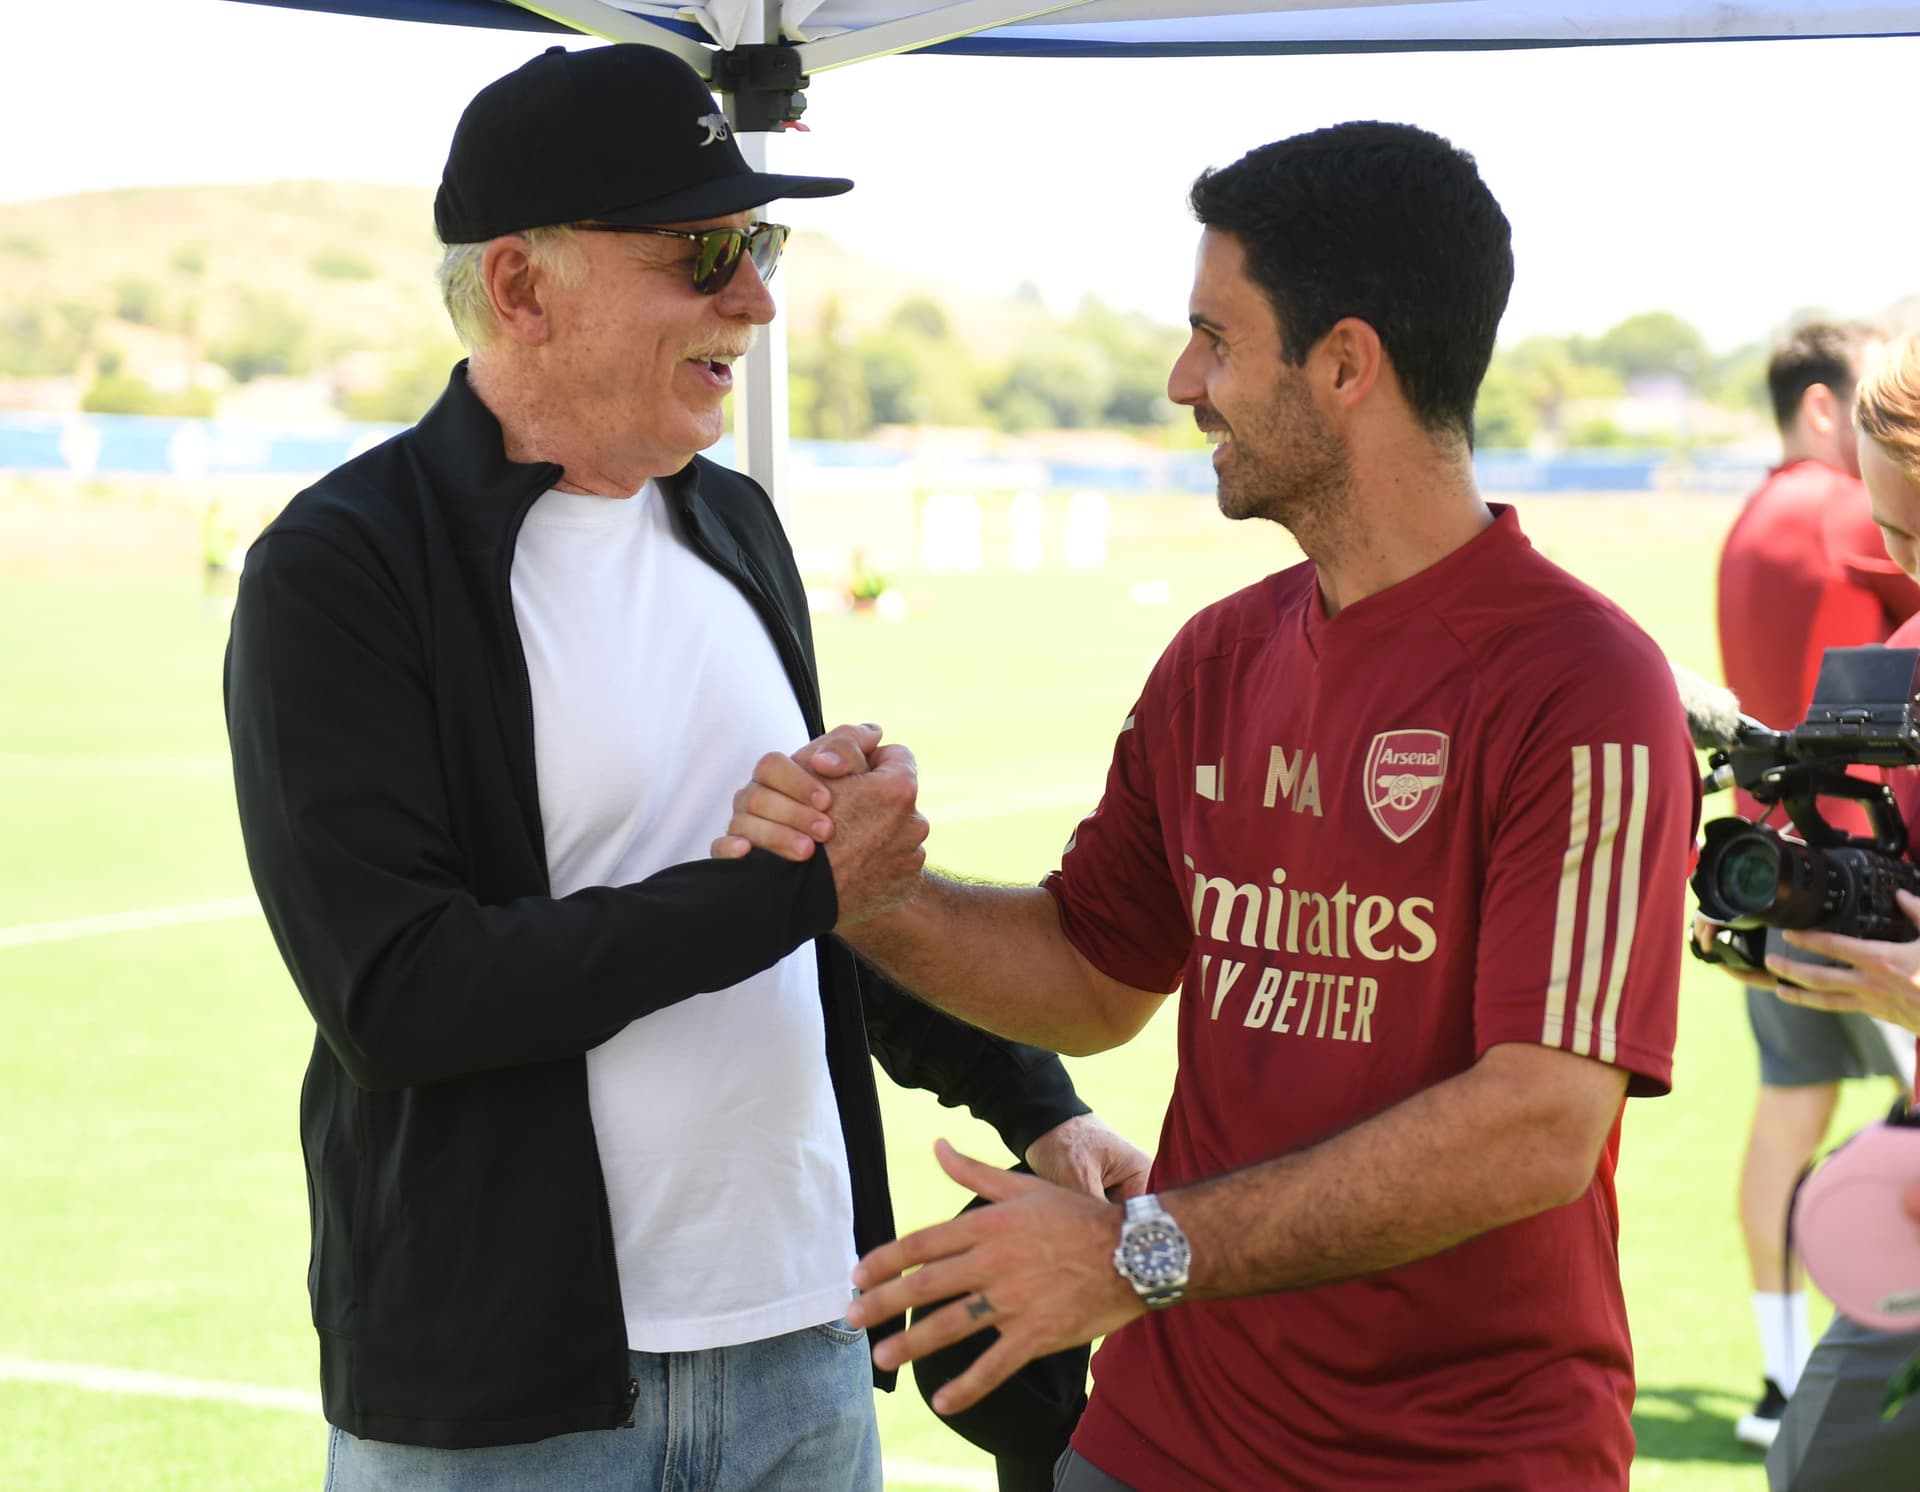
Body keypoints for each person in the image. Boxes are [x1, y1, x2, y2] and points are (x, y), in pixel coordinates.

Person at [717, 122, 1699, 1489]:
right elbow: (1090, 972)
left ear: (1347, 363)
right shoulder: (1222, 656)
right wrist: (868, 892)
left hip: (1461, 1460)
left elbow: (1538, 1122)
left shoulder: (1582, 685)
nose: (1184, 382)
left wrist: (1142, 1252)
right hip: (1160, 1442)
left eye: (1216, 339)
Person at [223, 43, 1145, 1492]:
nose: (757, 298)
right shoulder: (344, 569)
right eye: (703, 250)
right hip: (509, 1402)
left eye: (758, 241)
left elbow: (825, 914)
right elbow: (398, 994)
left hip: (803, 1345)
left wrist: (1037, 1103)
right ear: (522, 286)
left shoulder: (737, 528)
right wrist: (788, 893)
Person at [1710, 320, 1919, 1450]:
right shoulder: (1860, 542)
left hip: (1795, 859)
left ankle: (1775, 1369)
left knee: (1784, 1126)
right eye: (1894, 531)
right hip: (1860, 888)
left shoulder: (1750, 518)